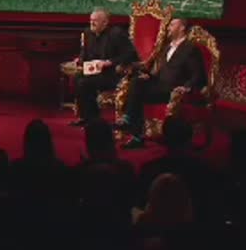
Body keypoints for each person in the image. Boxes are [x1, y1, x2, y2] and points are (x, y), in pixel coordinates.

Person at [118, 16, 207, 149]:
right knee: (137, 83)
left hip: (174, 90)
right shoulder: (167, 47)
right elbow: (161, 73)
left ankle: (131, 124)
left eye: (172, 25)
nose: (168, 28)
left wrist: (187, 87)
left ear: (182, 27)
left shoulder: (190, 48)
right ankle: (134, 132)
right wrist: (149, 76)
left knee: (137, 91)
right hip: (161, 86)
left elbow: (198, 74)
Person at [72, 8, 137, 128]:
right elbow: (85, 53)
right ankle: (86, 117)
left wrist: (109, 62)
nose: (92, 23)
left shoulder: (116, 34)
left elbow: (131, 54)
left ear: (105, 22)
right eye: (91, 20)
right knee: (77, 78)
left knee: (84, 83)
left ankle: (93, 119)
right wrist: (80, 60)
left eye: (95, 21)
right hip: (93, 71)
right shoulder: (88, 33)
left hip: (112, 73)